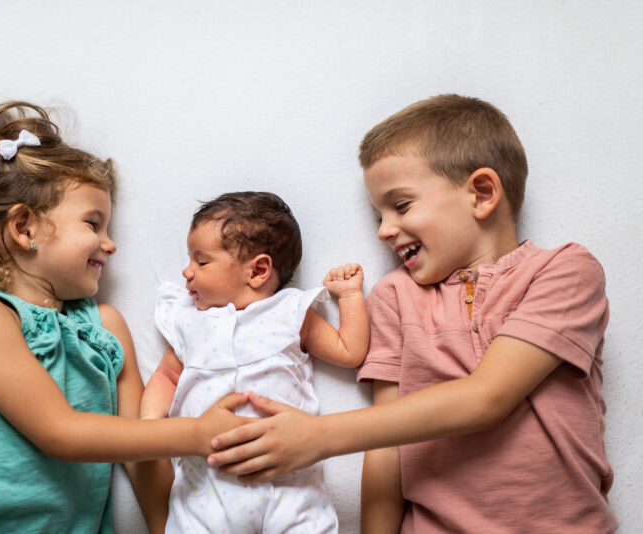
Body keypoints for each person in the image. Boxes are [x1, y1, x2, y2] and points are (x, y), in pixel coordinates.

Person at [207, 95, 618, 533]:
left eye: (401, 206)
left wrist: (318, 436)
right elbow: (387, 448)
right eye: (377, 217)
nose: (384, 231)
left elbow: (487, 398)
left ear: (482, 194)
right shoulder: (394, 297)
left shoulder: (565, 271)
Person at [0, 101, 249, 533]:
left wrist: (168, 526)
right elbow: (60, 432)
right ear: (24, 228)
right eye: (93, 223)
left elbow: (141, 448)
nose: (110, 244)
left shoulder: (104, 329)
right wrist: (196, 434)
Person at [140, 191, 369, 533]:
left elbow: (349, 351)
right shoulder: (189, 319)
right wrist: (150, 422)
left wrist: (350, 296)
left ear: (258, 270)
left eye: (201, 262)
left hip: (290, 485)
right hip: (208, 488)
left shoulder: (290, 312)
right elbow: (167, 376)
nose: (186, 271)